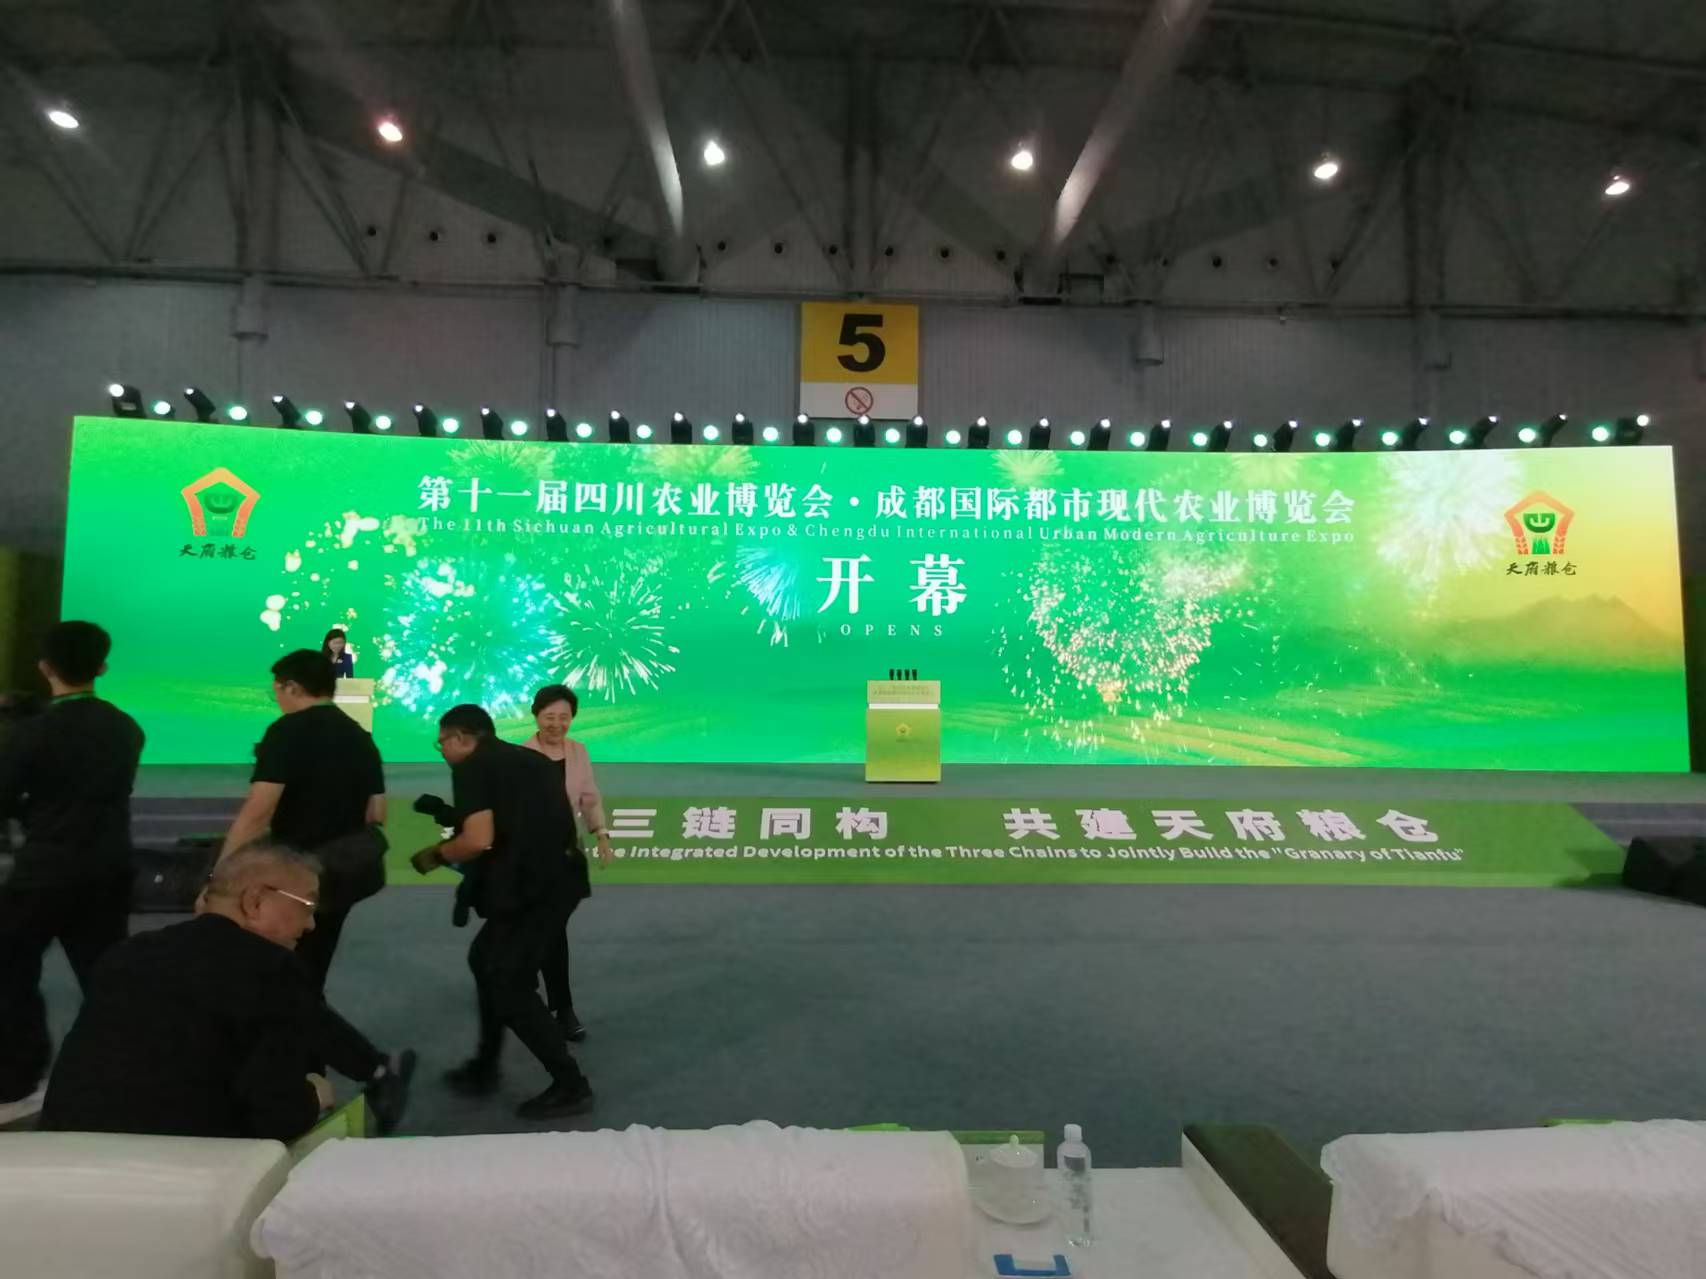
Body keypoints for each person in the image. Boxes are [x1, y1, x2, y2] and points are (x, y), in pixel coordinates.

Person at [222, 648, 413, 1131]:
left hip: (290, 879)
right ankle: (315, 1075)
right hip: (341, 877)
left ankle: (366, 1069)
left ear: (291, 687)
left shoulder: (286, 732)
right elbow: (376, 812)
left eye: (277, 689)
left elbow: (258, 811)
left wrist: (220, 875)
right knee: (301, 977)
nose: (276, 698)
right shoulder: (359, 736)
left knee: (281, 982)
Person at [41, 844, 333, 1140]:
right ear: (255, 902)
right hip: (180, 1153)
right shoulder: (274, 971)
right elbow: (275, 1114)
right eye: (307, 906)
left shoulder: (128, 952)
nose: (310, 924)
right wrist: (315, 1096)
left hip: (65, 1143)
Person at [412, 704, 594, 1120]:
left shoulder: (472, 766)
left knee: (508, 980)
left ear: (462, 738)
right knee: (485, 961)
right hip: (558, 880)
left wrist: (434, 855)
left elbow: (477, 839)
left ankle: (571, 1085)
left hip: (532, 890)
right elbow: (518, 819)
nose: (442, 751)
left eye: (442, 743)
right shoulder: (530, 760)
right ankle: (486, 1064)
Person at [0, 621, 144, 1120]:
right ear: (101, 666)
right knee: (108, 978)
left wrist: (30, 811)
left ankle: (17, 1074)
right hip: (109, 866)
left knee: (9, 970)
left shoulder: (30, 732)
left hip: (44, 870)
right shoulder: (125, 728)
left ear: (45, 667)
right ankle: (123, 1074)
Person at [520, 684, 611, 1041]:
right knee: (542, 929)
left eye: (564, 717)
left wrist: (601, 833)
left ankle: (557, 1004)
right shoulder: (520, 754)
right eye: (549, 717)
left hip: (565, 854)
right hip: (527, 857)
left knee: (552, 929)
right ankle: (546, 998)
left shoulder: (578, 751)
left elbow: (589, 798)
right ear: (535, 716)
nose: (556, 724)